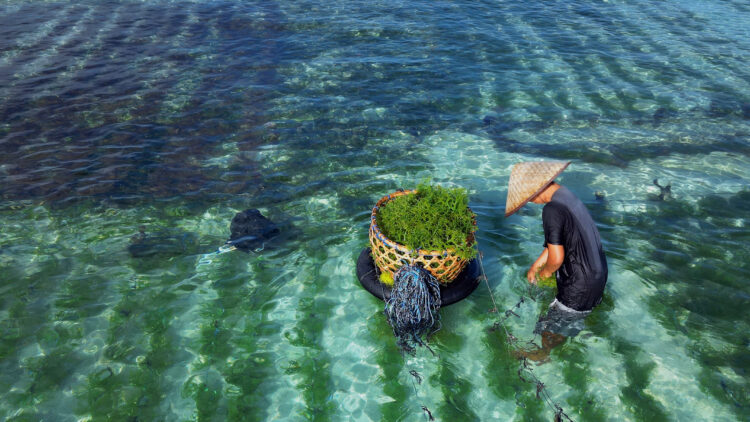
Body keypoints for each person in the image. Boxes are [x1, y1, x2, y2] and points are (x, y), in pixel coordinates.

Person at [505, 161, 608, 361]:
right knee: (571, 317)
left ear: (535, 190)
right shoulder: (566, 196)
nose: (530, 202)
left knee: (553, 321)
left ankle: (544, 352)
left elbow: (557, 257)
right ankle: (566, 340)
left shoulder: (551, 210)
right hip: (597, 273)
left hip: (580, 282)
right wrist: (536, 265)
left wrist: (546, 273)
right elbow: (559, 241)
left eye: (527, 197)